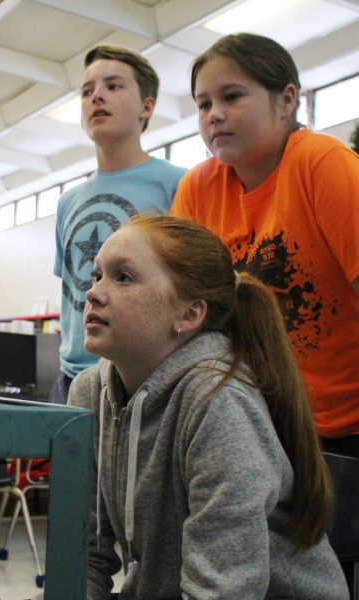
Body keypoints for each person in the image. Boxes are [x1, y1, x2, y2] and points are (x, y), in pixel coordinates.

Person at [69, 214, 348, 599]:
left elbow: (225, 591)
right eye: (97, 275)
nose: (94, 293)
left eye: (123, 277)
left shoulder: (218, 401)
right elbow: (82, 560)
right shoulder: (88, 392)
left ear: (189, 314)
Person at [170, 33, 359, 456]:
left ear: (286, 100)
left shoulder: (322, 164)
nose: (215, 115)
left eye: (232, 96)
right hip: (267, 416)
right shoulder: (197, 188)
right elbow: (181, 308)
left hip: (348, 420)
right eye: (203, 104)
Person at [51, 45, 187, 405]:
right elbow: (72, 289)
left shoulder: (178, 185)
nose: (96, 96)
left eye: (113, 86)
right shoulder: (67, 202)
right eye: (87, 91)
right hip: (71, 379)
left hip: (144, 378)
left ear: (147, 106)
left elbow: (189, 284)